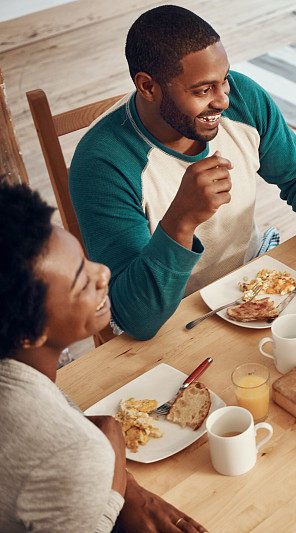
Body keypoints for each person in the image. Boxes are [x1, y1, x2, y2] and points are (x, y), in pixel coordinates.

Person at [69, 5, 296, 341]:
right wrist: (181, 219)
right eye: (202, 90)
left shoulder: (243, 99)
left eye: (223, 80)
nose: (223, 99)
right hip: (171, 320)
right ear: (148, 87)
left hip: (252, 285)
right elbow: (135, 316)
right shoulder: (102, 164)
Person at [0, 183, 206, 532]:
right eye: (81, 282)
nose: (103, 273)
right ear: (29, 334)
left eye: (84, 259)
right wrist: (113, 493)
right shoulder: (74, 452)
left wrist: (129, 485)